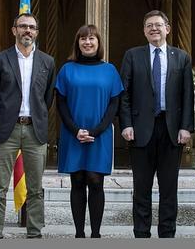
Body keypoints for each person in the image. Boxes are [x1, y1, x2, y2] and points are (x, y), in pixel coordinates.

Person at [119, 10, 194, 238]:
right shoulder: (133, 55)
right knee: (141, 189)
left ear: (167, 29)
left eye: (158, 25)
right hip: (140, 131)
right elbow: (124, 94)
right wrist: (126, 124)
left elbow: (187, 95)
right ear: (144, 30)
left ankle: (167, 234)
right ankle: (141, 234)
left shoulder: (181, 57)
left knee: (169, 189)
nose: (154, 28)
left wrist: (186, 126)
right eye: (149, 25)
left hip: (171, 131)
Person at [0, 13, 56, 239]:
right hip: (7, 130)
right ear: (14, 30)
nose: (27, 31)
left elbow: (47, 97)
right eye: (23, 26)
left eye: (32, 27)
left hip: (35, 131)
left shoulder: (47, 61)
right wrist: (4, 118)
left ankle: (34, 234)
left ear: (36, 32)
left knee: (35, 189)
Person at [55, 24, 124, 238]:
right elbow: (61, 103)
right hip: (72, 133)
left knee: (96, 181)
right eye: (83, 38)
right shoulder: (67, 69)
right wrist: (76, 130)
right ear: (77, 43)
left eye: (92, 38)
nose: (87, 42)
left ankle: (95, 234)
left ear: (98, 43)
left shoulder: (110, 70)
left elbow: (114, 104)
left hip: (100, 135)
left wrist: (96, 130)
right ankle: (78, 234)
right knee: (77, 181)